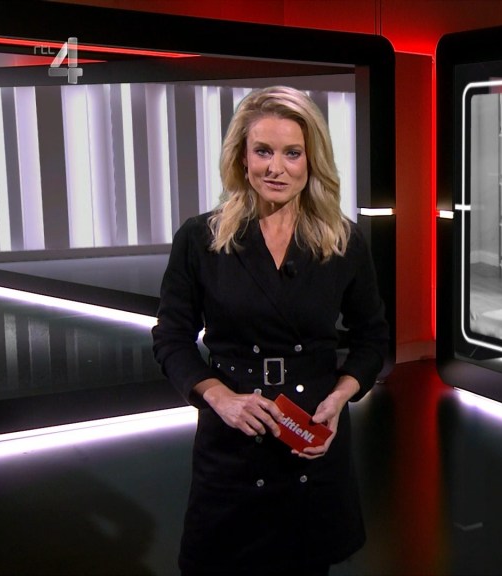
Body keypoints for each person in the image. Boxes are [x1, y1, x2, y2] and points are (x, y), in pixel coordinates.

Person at [152, 85, 389, 575]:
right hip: (233, 441)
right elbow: (172, 338)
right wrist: (219, 397)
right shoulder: (200, 238)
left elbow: (371, 338)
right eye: (263, 151)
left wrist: (341, 396)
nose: (275, 168)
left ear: (312, 160)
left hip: (310, 435)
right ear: (242, 158)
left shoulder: (343, 241)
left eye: (292, 153)